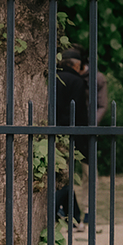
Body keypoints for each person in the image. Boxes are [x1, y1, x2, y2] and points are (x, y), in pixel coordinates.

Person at [53, 47, 92, 224]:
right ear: (76, 65)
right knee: (66, 176)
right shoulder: (77, 81)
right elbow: (80, 113)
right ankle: (60, 212)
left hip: (53, 132)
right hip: (71, 133)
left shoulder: (54, 79)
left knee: (60, 174)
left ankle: (72, 214)